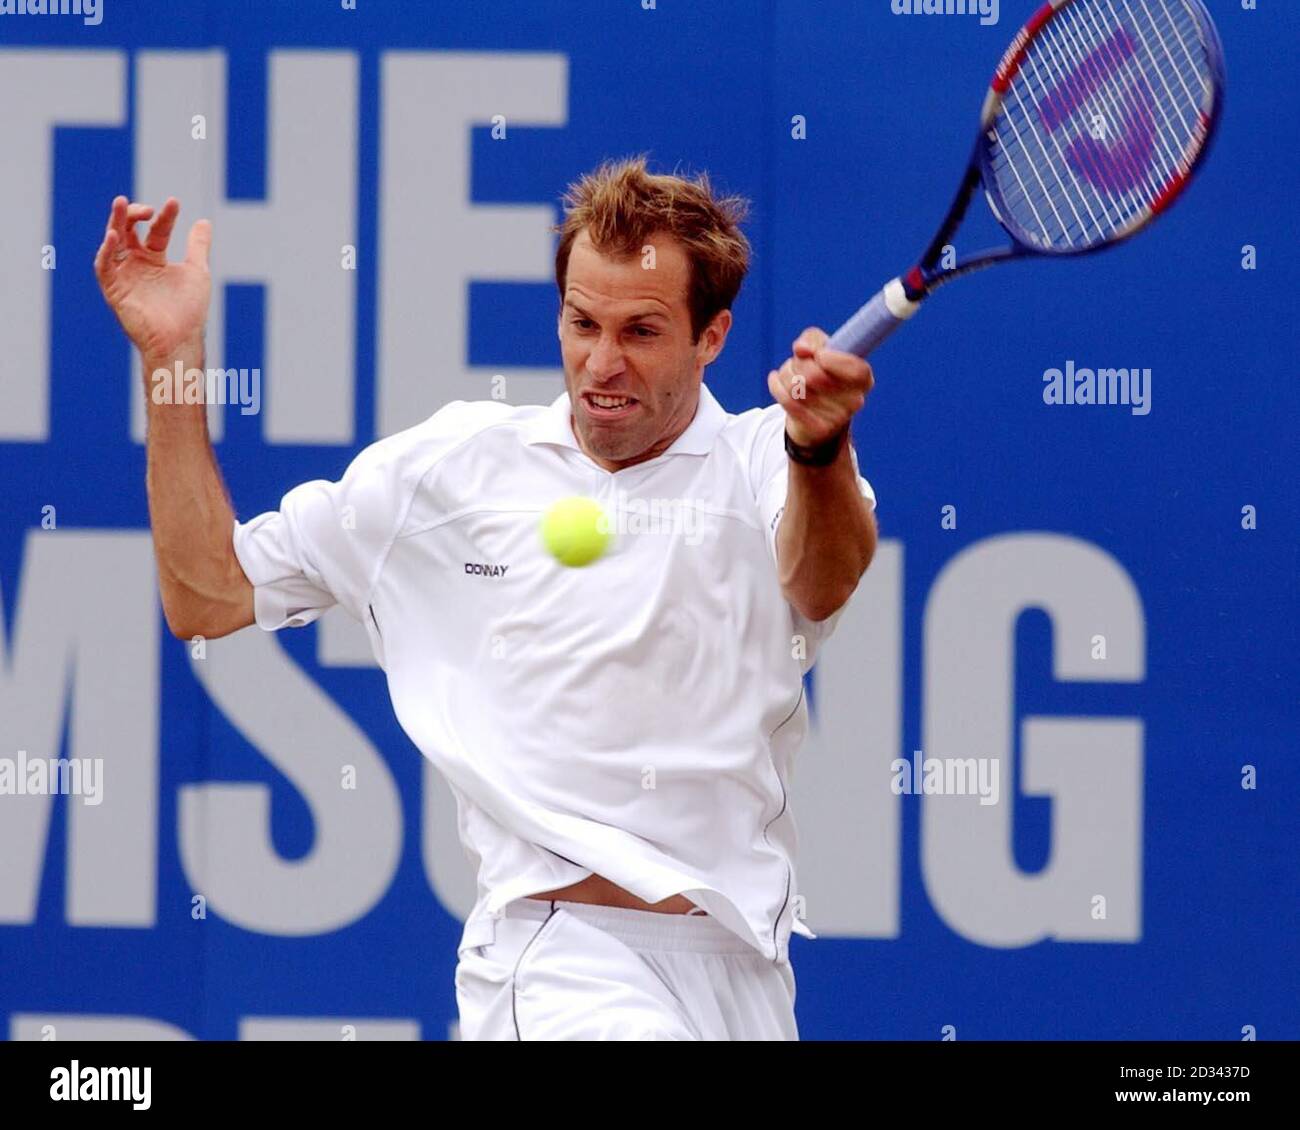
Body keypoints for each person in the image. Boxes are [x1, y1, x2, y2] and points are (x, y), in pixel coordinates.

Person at [94, 156, 878, 1040]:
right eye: (581, 323)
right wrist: (172, 363)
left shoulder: (773, 461)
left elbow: (822, 580)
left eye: (642, 332)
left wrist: (819, 450)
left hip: (743, 970)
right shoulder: (451, 473)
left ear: (713, 336)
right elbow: (207, 592)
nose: (602, 362)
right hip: (560, 962)